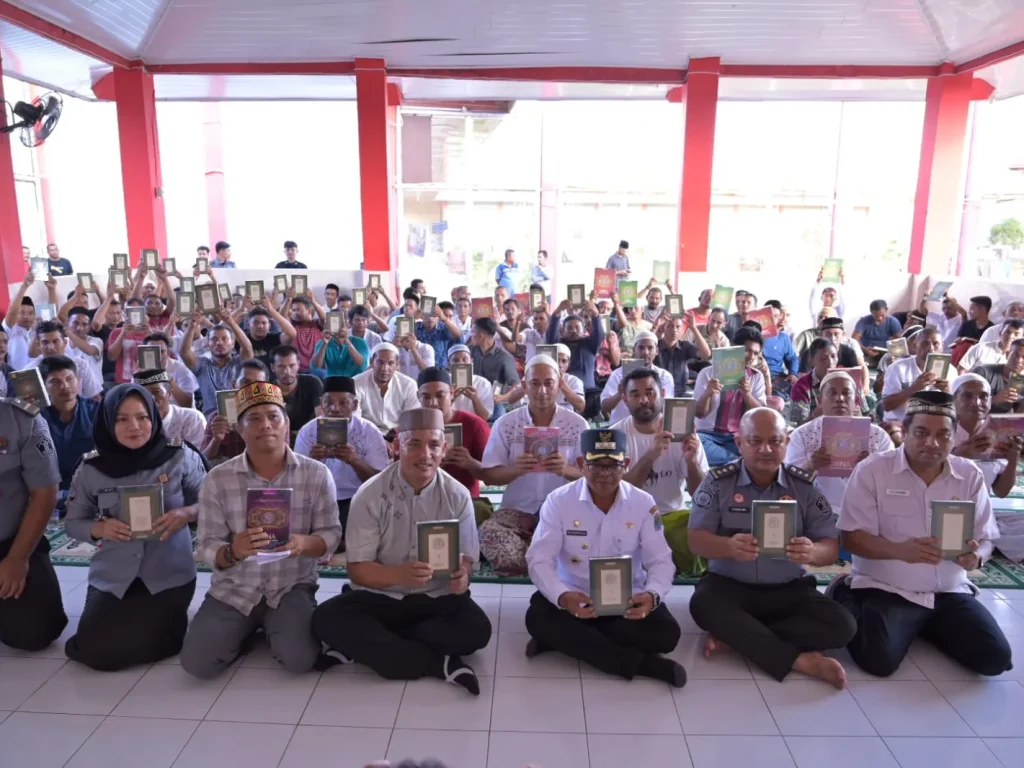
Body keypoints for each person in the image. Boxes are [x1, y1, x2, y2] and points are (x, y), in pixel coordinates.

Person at [832, 391, 1012, 678]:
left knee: (995, 659)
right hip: (888, 589)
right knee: (878, 662)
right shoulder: (873, 471)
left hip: (948, 592)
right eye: (921, 432)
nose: (932, 443)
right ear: (904, 432)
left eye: (943, 435)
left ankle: (921, 624)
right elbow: (851, 539)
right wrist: (899, 550)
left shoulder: (970, 475)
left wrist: (976, 557)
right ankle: (845, 592)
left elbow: (987, 537)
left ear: (955, 437)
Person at [312, 407, 491, 693]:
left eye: (434, 445)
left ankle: (371, 648)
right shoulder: (370, 495)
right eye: (414, 444)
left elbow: (467, 559)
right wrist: (398, 575)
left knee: (477, 631)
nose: (425, 455)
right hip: (381, 597)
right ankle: (437, 663)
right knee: (325, 620)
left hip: (435, 598)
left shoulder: (457, 495)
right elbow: (358, 569)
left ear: (444, 449)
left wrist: (463, 576)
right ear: (396, 447)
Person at [181, 382, 341, 678]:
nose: (265, 425)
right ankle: (248, 631)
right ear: (240, 429)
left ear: (287, 424)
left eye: (273, 417)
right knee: (197, 665)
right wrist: (232, 551)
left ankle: (274, 626)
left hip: (290, 584)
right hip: (235, 587)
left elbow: (331, 536)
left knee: (299, 660)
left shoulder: (316, 474)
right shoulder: (218, 479)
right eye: (253, 419)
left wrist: (301, 543)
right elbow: (205, 545)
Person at [688, 408, 857, 688]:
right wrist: (728, 546)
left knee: (843, 626)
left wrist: (812, 552)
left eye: (775, 441)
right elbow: (696, 539)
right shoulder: (717, 483)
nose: (765, 449)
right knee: (703, 606)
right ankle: (798, 660)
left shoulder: (805, 487)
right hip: (730, 587)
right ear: (739, 442)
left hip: (787, 589)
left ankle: (739, 639)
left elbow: (830, 545)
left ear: (787, 443)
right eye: (755, 441)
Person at [524, 429, 685, 686]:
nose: (605, 474)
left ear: (627, 465)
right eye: (596, 465)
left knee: (667, 635)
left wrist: (651, 595)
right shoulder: (559, 501)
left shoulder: (643, 503)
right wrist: (563, 597)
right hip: (575, 595)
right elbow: (539, 559)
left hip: (627, 599)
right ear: (580, 464)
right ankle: (644, 665)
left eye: (614, 466)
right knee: (537, 618)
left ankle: (569, 641)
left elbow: (660, 561)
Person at [61, 383, 206, 670]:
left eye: (142, 417)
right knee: (93, 651)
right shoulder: (90, 469)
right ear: (107, 422)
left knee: (158, 641)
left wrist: (187, 513)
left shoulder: (180, 457)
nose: (135, 427)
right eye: (122, 419)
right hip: (114, 574)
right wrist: (99, 529)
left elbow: (213, 504)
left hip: (169, 574)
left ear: (154, 417)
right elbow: (73, 524)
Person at [478, 355, 588, 574]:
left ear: (559, 386)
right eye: (535, 383)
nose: (542, 391)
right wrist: (515, 471)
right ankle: (547, 561)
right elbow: (489, 476)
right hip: (517, 511)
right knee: (488, 532)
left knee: (587, 539)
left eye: (549, 383)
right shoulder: (507, 423)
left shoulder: (577, 424)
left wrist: (565, 470)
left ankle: (535, 557)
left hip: (564, 513)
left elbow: (593, 477)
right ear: (524, 386)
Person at [0, 396, 66, 651]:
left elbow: (46, 492)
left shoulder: (21, 418)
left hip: (11, 544)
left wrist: (17, 558)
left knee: (35, 632)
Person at [785, 371, 893, 515]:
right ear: (820, 401)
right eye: (832, 393)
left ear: (856, 400)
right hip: (818, 512)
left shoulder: (878, 436)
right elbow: (788, 486)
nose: (840, 399)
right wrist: (809, 466)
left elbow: (892, 480)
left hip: (867, 511)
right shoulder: (801, 435)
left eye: (846, 393)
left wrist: (874, 466)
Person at [294, 375, 388, 536]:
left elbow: (381, 482)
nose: (334, 408)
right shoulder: (308, 432)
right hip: (318, 499)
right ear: (321, 403)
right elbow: (295, 480)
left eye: (343, 402)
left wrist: (354, 460)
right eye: (328, 402)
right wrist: (312, 461)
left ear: (355, 404)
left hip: (356, 498)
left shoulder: (369, 432)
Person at [615, 368, 708, 510]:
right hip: (630, 517)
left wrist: (692, 462)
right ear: (625, 399)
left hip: (673, 515)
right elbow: (618, 492)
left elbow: (701, 495)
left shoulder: (683, 433)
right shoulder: (615, 435)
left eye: (650, 393)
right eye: (635, 395)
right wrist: (650, 456)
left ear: (663, 394)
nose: (643, 400)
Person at [416, 367, 492, 520]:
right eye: (426, 397)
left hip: (465, 501)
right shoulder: (410, 427)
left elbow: (491, 477)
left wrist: (470, 463)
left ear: (452, 392)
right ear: (418, 397)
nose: (433, 403)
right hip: (420, 500)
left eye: (440, 395)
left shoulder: (475, 425)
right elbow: (400, 475)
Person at [692, 327, 768, 465]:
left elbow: (760, 414)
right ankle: (736, 462)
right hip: (708, 436)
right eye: (747, 351)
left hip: (739, 437)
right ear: (735, 348)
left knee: (759, 446)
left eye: (756, 353)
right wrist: (707, 394)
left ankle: (729, 460)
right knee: (696, 445)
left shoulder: (756, 377)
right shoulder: (708, 373)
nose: (751, 357)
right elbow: (699, 413)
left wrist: (747, 394)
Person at [38, 356, 100, 506]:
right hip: (46, 494)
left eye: (69, 379)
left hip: (91, 492)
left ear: (78, 380)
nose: (65, 386)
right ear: (43, 385)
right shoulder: (35, 418)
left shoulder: (97, 412)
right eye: (55, 381)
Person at [950, 373, 1020, 497]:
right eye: (967, 396)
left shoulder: (997, 434)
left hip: (981, 509)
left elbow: (1001, 492)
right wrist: (956, 456)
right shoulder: (940, 432)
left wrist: (1013, 460)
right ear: (953, 401)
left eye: (983, 397)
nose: (977, 403)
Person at [180, 312, 253, 415]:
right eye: (214, 339)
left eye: (225, 339)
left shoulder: (240, 363)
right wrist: (192, 326)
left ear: (232, 344)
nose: (219, 343)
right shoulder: (202, 365)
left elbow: (247, 348)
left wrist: (231, 322)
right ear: (208, 344)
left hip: (241, 418)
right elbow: (184, 352)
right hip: (211, 422)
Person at [202, 360, 269, 464]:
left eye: (258, 385)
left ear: (265, 389)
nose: (250, 389)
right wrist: (216, 439)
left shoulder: (275, 418)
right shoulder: (217, 417)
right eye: (245, 382)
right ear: (234, 384)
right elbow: (203, 460)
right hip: (227, 474)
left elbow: (281, 458)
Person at [600, 333, 675, 421]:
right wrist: (620, 394)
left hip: (653, 429)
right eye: (641, 348)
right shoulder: (618, 374)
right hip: (622, 427)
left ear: (657, 351)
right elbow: (604, 407)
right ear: (634, 350)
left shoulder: (664, 376)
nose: (645, 352)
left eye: (650, 348)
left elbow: (667, 408)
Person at [881, 326, 949, 422]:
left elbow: (958, 408)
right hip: (900, 423)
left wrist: (948, 392)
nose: (931, 348)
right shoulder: (897, 368)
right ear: (915, 346)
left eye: (936, 344)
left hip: (933, 425)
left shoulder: (950, 371)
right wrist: (914, 389)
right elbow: (887, 406)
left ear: (942, 346)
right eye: (925, 343)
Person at [25, 321, 103, 399]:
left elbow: (95, 397)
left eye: (55, 341)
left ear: (65, 343)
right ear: (39, 345)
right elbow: (25, 404)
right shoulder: (29, 371)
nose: (51, 347)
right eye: (45, 342)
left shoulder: (80, 365)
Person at [353, 343, 419, 436]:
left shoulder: (408, 385)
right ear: (372, 362)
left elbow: (411, 419)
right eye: (380, 362)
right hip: (366, 435)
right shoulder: (356, 382)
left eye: (390, 363)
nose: (384, 368)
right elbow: (355, 420)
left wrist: (394, 438)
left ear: (397, 364)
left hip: (399, 436)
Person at [133, 368, 207, 446]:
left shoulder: (191, 418)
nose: (151, 399)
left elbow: (199, 454)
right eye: (144, 394)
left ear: (169, 394)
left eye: (157, 392)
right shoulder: (132, 424)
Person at [545, 299, 605, 390]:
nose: (574, 331)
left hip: (588, 392)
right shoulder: (558, 344)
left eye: (577, 328)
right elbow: (551, 333)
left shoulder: (590, 344)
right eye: (569, 328)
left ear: (584, 330)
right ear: (563, 331)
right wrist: (558, 311)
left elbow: (599, 333)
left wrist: (596, 314)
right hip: (562, 391)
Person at [271, 345, 324, 443]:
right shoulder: (268, 390)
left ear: (298, 364)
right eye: (281, 366)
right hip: (279, 440)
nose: (287, 372)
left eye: (292, 365)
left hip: (310, 437)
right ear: (273, 367)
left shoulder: (312, 383)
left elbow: (320, 416)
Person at [470, 318, 521, 419]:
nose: (471, 335)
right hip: (470, 398)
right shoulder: (470, 352)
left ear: (480, 336)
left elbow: (516, 385)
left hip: (493, 401)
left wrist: (502, 397)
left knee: (498, 416)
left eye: (473, 332)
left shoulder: (504, 357)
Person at [788, 338, 838, 422]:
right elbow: (799, 427)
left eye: (833, 356)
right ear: (811, 361)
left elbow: (866, 414)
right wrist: (815, 415)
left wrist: (858, 414)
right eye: (823, 358)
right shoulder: (801, 386)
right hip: (816, 433)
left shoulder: (848, 380)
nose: (830, 362)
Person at [973, 339, 1024, 415]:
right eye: (1015, 355)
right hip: (978, 421)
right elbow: (965, 402)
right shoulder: (983, 372)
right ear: (1007, 354)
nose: (1019, 360)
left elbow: (1017, 417)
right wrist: (994, 399)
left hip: (1005, 425)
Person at [759, 301, 800, 394]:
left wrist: (793, 373)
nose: (772, 319)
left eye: (776, 316)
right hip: (755, 377)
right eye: (769, 315)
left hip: (776, 377)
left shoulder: (783, 337)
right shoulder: (752, 335)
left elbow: (793, 358)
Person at [798, 316, 863, 374]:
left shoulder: (849, 353)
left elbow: (856, 377)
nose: (832, 338)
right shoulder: (809, 353)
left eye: (836, 334)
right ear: (821, 335)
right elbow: (803, 379)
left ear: (843, 335)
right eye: (828, 334)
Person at [957, 318, 1024, 373]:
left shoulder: (1020, 358)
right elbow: (961, 369)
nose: (1010, 336)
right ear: (1000, 333)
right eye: (1008, 332)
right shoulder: (980, 348)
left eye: (1016, 334)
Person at [447, 345, 494, 421]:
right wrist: (451, 399)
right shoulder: (444, 382)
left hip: (474, 425)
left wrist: (475, 399)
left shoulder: (483, 383)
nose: (461, 363)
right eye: (455, 360)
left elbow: (484, 417)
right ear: (449, 365)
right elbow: (439, 415)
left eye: (465, 359)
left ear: (471, 362)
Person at [853, 300, 902, 364]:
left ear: (887, 310)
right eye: (876, 316)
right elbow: (854, 339)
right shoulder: (863, 321)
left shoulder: (893, 321)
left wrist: (893, 353)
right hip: (866, 353)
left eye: (882, 315)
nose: (880, 318)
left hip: (885, 354)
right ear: (871, 312)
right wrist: (864, 349)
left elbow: (899, 340)